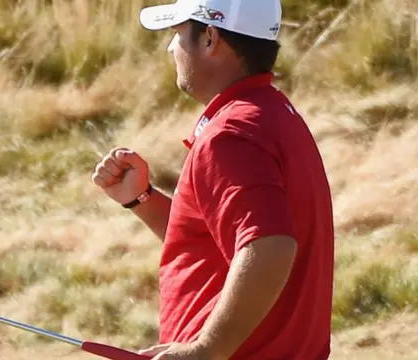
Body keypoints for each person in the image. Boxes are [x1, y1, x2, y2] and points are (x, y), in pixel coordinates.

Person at [91, 0, 335, 359]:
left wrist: (207, 350)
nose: (171, 48)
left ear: (209, 38)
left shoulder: (231, 134)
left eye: (176, 34)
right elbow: (227, 245)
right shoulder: (271, 114)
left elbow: (270, 247)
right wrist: (141, 199)